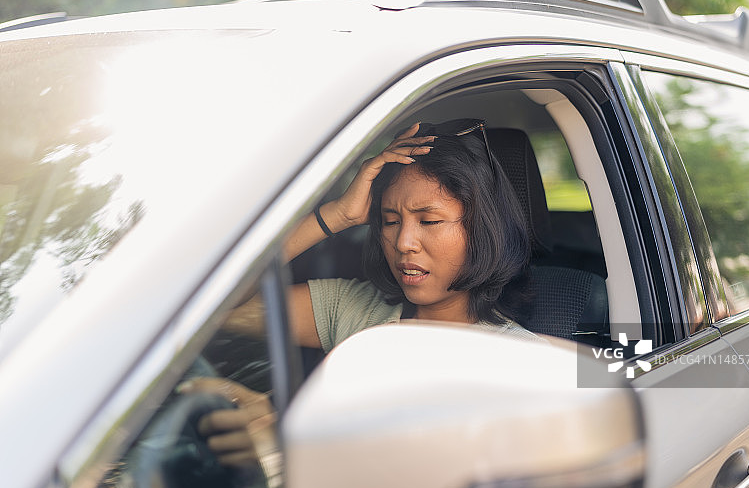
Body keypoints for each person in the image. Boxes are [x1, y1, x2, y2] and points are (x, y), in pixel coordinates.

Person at [183, 119, 546, 468]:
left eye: (429, 221)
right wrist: (335, 216)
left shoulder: (523, 365)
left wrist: (285, 444)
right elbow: (208, 306)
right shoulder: (354, 309)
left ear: (482, 228)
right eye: (390, 221)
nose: (403, 242)